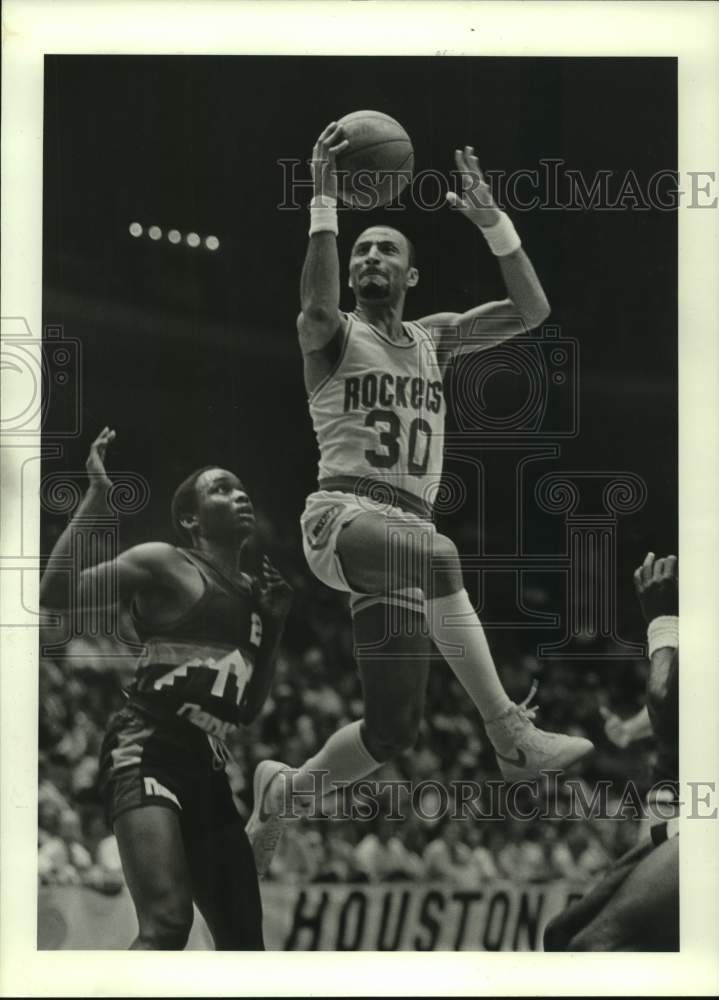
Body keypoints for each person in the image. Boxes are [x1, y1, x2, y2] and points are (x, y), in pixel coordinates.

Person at [245, 122, 592, 873]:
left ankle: (286, 793)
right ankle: (509, 733)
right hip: (341, 517)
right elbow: (311, 307)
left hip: (405, 533)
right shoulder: (332, 333)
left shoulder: (435, 338)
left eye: (386, 250)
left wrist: (492, 223)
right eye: (361, 248)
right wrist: (325, 201)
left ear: (411, 277)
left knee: (392, 730)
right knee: (435, 550)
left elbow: (533, 312)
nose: (371, 256)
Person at [40, 427, 293, 949]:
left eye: (243, 488)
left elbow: (244, 712)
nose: (240, 495)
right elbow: (58, 594)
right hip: (147, 749)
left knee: (247, 945)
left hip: (209, 768)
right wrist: (96, 498)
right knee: (167, 925)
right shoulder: (166, 562)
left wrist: (274, 630)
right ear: (190, 519)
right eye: (221, 489)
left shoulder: (257, 597)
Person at [544, 552, 679, 951]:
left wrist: (662, 622)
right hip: (677, 809)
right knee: (560, 935)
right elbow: (672, 703)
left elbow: (663, 695)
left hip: (694, 809)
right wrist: (630, 730)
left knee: (591, 946)